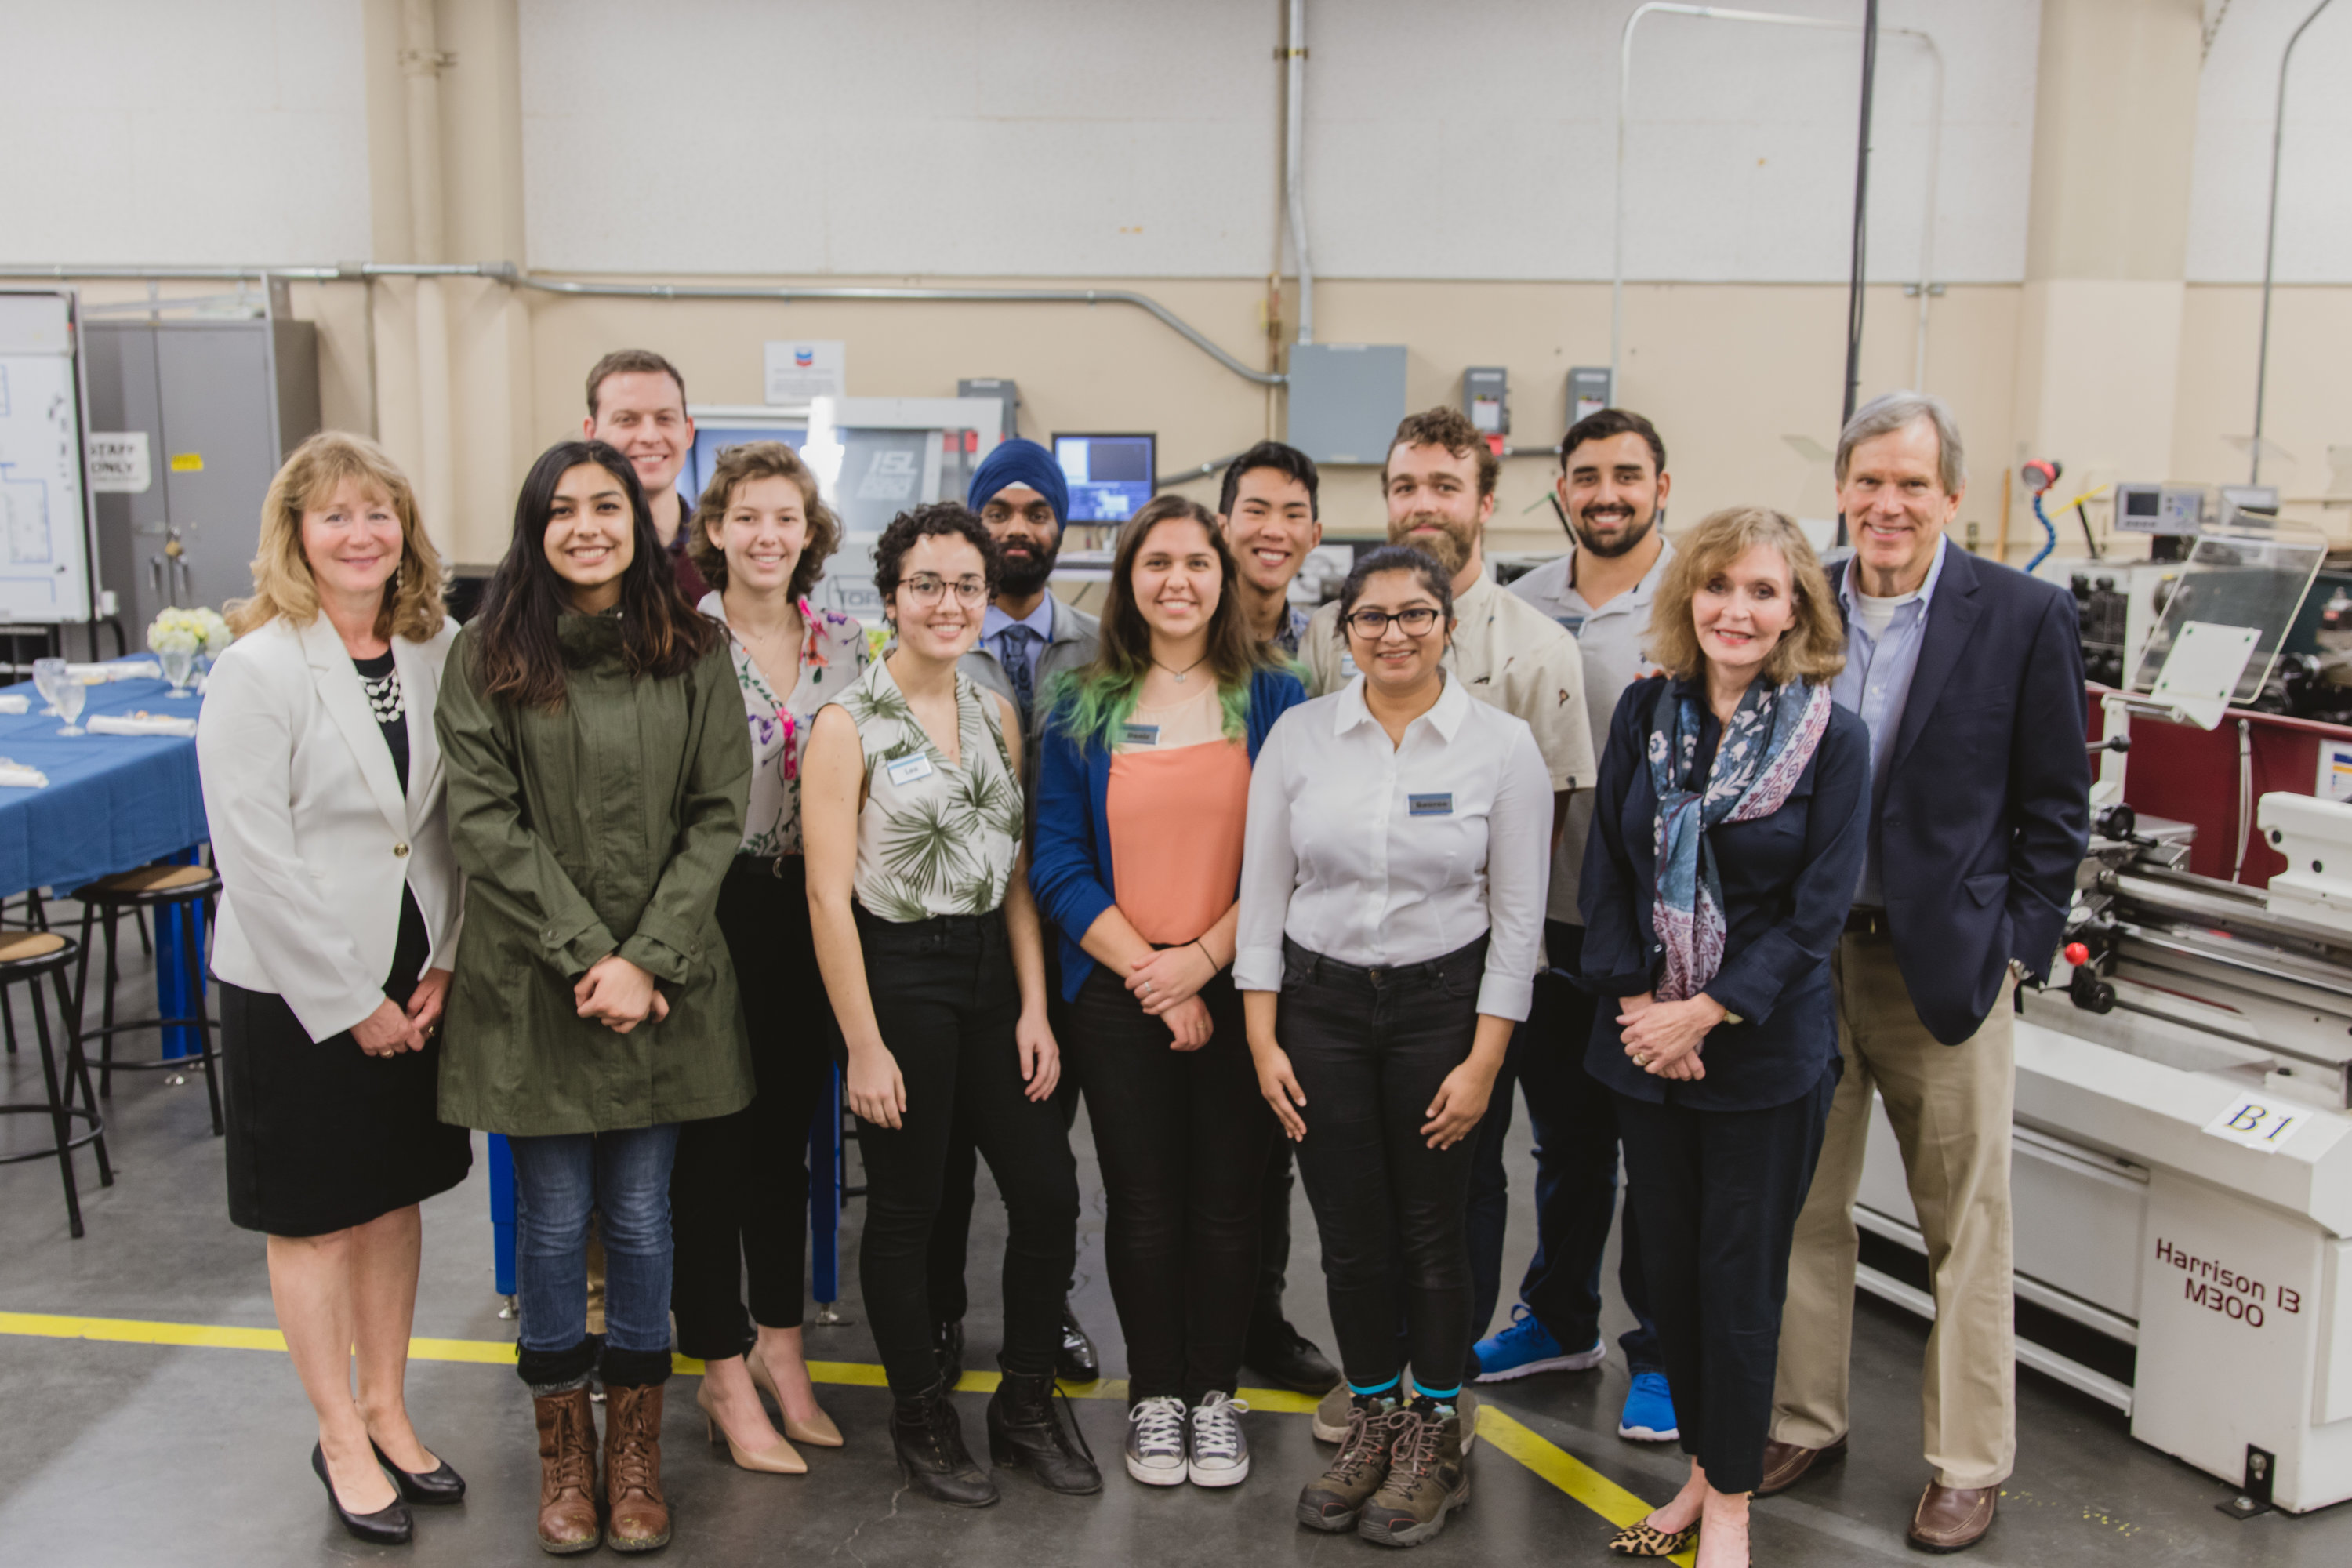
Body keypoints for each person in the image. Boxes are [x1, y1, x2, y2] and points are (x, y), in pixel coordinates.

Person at [1764, 394, 2089, 1554]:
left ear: (1953, 494)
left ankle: (1967, 1462)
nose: (1887, 505)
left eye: (1912, 484)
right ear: (1842, 490)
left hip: (1943, 972)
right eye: (1868, 482)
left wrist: (2019, 950)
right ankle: (1805, 1417)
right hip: (1804, 967)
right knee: (1803, 1209)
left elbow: (2056, 810)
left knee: (1967, 1228)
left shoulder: (2022, 616)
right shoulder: (1796, 605)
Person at [436, 439, 751, 1555]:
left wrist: (649, 958)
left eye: (605, 506)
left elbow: (720, 812)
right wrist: (589, 957)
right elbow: (485, 826)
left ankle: (635, 1454)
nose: (585, 526)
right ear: (536, 527)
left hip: (661, 990)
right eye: (561, 509)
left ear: (642, 521)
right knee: (557, 1222)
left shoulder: (697, 649)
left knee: (643, 1219)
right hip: (540, 993)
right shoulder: (484, 657)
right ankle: (565, 1454)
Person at [1240, 546, 1552, 1548]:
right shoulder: (1298, 737)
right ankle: (1373, 1418)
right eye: (1370, 617)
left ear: (1447, 624)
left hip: (1442, 1010)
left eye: (1416, 613)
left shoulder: (1501, 748)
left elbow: (1518, 923)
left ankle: (1433, 1435)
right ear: (1344, 631)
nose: (1393, 633)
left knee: (1432, 1226)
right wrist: (1261, 1032)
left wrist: (1484, 1057)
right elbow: (1263, 896)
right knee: (1350, 1230)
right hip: (1319, 1007)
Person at [1578, 506, 1869, 1567]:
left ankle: (1734, 1495)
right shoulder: (1647, 712)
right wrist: (1639, 1008)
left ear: (1797, 609)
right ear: (1685, 596)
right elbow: (1607, 867)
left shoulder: (1833, 738)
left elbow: (1817, 910)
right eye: (1717, 587)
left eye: (1761, 591)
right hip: (1645, 1046)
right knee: (1670, 1279)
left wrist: (1705, 1010)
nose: (1735, 611)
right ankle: (1703, 1465)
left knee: (1741, 1285)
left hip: (1759, 1052)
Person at [1298, 407, 1595, 1444]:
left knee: (1460, 1176)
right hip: (1345, 976)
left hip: (1472, 974)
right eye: (1404, 486)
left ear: (1483, 499)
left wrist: (1491, 1001)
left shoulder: (1537, 651)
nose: (1422, 504)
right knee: (1362, 1186)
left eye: (1443, 485)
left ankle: (1442, 1380)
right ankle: (1375, 1373)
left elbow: (1542, 836)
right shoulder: (1324, 635)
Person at [201, 433, 472, 1547]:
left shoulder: (438, 646)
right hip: (298, 992)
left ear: (404, 530)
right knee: (316, 1222)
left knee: (393, 1200)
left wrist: (445, 955)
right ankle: (339, 1436)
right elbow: (253, 858)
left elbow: (449, 828)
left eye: (379, 514)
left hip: (416, 974)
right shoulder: (258, 666)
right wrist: (351, 997)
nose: (361, 535)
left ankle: (388, 1408)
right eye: (335, 517)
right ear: (296, 535)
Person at [802, 502, 1096, 1508]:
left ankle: (1021, 1403)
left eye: (966, 584)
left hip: (987, 975)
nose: (949, 602)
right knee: (911, 1211)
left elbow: (1013, 872)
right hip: (898, 978)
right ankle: (922, 1414)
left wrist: (1032, 1004)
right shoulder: (847, 723)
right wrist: (865, 1046)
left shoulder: (993, 710)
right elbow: (826, 898)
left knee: (1049, 1193)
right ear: (890, 597)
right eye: (927, 583)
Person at [1029, 495, 1307, 1490]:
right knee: (1143, 1202)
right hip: (1115, 989)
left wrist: (1202, 959)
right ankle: (1156, 1395)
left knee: (1231, 1205)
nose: (1178, 580)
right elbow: (1056, 860)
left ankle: (1213, 1396)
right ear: (1128, 579)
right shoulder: (1079, 704)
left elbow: (1287, 857)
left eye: (1198, 561)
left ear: (1224, 577)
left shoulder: (1274, 698)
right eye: (1158, 562)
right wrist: (1152, 970)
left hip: (1243, 989)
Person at [1472, 408, 1678, 1445]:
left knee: (1660, 1145)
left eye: (1626, 476)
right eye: (1587, 476)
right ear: (1561, 490)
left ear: (1662, 487)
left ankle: (1664, 1352)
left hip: (1659, 937)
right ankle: (1559, 1317)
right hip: (1551, 920)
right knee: (1566, 1140)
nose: (1606, 493)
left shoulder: (1696, 599)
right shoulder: (1520, 606)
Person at [668, 441, 866, 1475]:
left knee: (789, 1144)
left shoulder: (845, 641)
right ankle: (720, 1365)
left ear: (809, 531)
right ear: (714, 530)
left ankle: (785, 1351)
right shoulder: (676, 642)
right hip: (709, 909)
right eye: (746, 517)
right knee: (713, 1149)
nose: (765, 536)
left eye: (785, 518)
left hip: (814, 908)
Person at [930, 437, 1103, 1387]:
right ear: (975, 519)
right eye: (1001, 511)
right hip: (958, 918)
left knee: (1048, 1150)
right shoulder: (938, 636)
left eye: (1037, 513)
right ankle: (945, 1313)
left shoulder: (1100, 644)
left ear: (1060, 526)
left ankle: (1052, 1309)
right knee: (948, 1147)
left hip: (1070, 923)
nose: (1019, 529)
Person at [1214, 441, 1343, 1399]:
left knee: (1270, 1147)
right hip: (1176, 930)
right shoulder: (1174, 626)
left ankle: (1258, 1317)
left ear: (1314, 531)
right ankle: (1192, 1330)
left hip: (1293, 937)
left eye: (1291, 512)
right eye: (1254, 509)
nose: (1272, 529)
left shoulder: (1331, 647)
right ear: (1226, 521)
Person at [585, 348, 709, 602]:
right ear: (591, 433)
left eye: (664, 418)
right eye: (627, 420)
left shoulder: (724, 555)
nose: (650, 437)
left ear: (688, 432)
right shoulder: (572, 554)